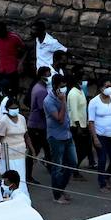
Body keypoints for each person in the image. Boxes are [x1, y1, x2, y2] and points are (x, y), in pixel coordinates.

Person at [44, 74, 76, 204]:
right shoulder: (48, 101)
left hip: (67, 135)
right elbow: (60, 119)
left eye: (65, 86)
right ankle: (56, 195)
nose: (64, 89)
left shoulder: (64, 96)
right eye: (62, 86)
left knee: (73, 163)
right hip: (56, 137)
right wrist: (63, 102)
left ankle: (61, 188)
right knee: (57, 167)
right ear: (55, 87)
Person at [87, 78, 111, 189]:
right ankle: (102, 183)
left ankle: (107, 176)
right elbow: (91, 121)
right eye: (106, 86)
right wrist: (95, 138)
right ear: (101, 88)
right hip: (100, 135)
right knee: (102, 159)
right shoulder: (94, 102)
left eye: (110, 86)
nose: (109, 89)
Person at [25, 66, 50, 185]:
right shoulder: (41, 90)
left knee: (46, 148)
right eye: (48, 75)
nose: (49, 77)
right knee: (34, 150)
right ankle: (28, 175)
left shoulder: (38, 87)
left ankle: (52, 170)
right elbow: (42, 109)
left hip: (37, 125)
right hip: (37, 126)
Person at [0, 95, 30, 179]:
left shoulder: (22, 119)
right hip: (8, 155)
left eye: (16, 108)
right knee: (11, 178)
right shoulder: (3, 121)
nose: (14, 110)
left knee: (21, 176)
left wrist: (32, 150)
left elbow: (26, 136)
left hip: (20, 153)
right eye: (12, 108)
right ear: (7, 109)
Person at [67, 75, 93, 174]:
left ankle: (74, 168)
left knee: (85, 149)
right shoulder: (73, 93)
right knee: (79, 149)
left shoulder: (81, 91)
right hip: (76, 126)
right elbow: (74, 111)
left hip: (83, 124)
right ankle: (73, 169)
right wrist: (78, 127)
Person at [0, 23, 25, 100]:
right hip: (1, 70)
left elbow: (25, 49)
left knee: (12, 95)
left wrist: (21, 63)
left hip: (12, 71)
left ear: (4, 30)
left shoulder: (14, 37)